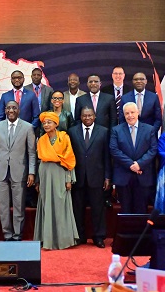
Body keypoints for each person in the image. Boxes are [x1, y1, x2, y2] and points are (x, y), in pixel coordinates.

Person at [0, 100, 37, 241]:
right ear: (5, 110)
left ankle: (17, 235)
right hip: (1, 171)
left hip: (20, 171)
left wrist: (31, 172)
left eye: (14, 108)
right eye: (8, 108)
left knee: (19, 206)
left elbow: (31, 153)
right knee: (3, 206)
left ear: (19, 110)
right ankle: (7, 235)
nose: (11, 110)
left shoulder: (28, 127)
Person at [34, 111, 78, 250]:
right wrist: (38, 180)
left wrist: (69, 179)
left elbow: (69, 159)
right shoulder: (41, 140)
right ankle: (47, 239)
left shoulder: (64, 137)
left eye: (49, 122)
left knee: (61, 205)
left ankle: (63, 240)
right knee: (46, 204)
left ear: (56, 124)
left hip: (60, 173)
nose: (46, 125)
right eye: (44, 123)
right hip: (45, 173)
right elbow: (39, 161)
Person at [68, 106, 111, 248]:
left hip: (97, 176)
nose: (87, 118)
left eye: (90, 115)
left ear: (94, 116)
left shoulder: (103, 131)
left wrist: (107, 177)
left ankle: (99, 237)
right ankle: (80, 236)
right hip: (78, 176)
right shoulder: (72, 131)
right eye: (84, 116)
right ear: (80, 117)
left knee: (98, 209)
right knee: (77, 209)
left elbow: (107, 156)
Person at [110, 102, 158, 214]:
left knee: (141, 211)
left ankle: (140, 227)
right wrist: (131, 165)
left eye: (132, 112)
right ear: (123, 115)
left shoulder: (149, 129)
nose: (130, 115)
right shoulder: (116, 130)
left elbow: (153, 149)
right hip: (123, 176)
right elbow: (114, 150)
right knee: (125, 211)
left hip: (143, 176)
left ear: (138, 113)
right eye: (127, 113)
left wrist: (139, 164)